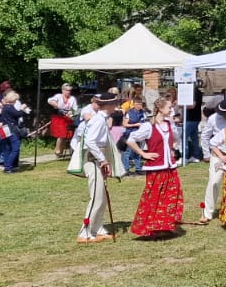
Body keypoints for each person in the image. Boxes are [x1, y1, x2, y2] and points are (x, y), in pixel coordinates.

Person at [127, 97, 185, 237]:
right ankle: (151, 226)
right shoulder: (149, 126)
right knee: (154, 197)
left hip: (170, 166)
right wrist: (143, 154)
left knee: (171, 195)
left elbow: (176, 140)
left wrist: (172, 150)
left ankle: (165, 224)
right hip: (155, 167)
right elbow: (130, 140)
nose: (171, 110)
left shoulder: (170, 125)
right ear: (160, 108)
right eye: (169, 107)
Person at [75, 93, 119, 242]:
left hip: (98, 159)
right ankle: (85, 232)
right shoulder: (99, 120)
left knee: (102, 197)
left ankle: (98, 228)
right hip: (94, 160)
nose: (116, 106)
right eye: (114, 103)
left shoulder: (101, 119)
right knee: (96, 197)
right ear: (108, 105)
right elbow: (90, 142)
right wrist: (102, 160)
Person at [194, 99, 226, 225]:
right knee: (214, 182)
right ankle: (207, 213)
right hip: (218, 155)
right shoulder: (213, 119)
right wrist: (206, 154)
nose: (225, 116)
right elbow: (205, 136)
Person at [0, 90, 29, 174]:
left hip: (5, 129)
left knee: (7, 148)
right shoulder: (9, 107)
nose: (16, 101)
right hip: (12, 129)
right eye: (15, 100)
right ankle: (8, 166)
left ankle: (7, 165)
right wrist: (22, 109)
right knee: (15, 148)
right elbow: (18, 114)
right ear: (12, 100)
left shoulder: (4, 107)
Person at [47, 83, 79, 158]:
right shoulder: (58, 96)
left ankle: (62, 150)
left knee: (68, 134)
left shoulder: (72, 98)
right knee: (61, 134)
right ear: (63, 90)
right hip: (58, 118)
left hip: (68, 117)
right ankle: (57, 150)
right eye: (67, 90)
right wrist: (56, 105)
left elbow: (75, 109)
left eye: (70, 90)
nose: (68, 92)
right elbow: (50, 101)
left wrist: (71, 112)